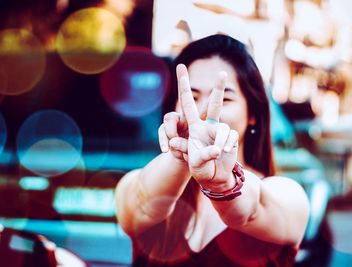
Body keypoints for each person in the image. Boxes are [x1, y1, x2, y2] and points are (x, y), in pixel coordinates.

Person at [115, 34, 310, 267]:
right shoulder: (140, 185)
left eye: (224, 99)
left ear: (253, 115)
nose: (203, 113)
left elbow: (251, 209)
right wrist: (180, 155)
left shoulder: (287, 197)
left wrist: (222, 183)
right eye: (192, 97)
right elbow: (141, 203)